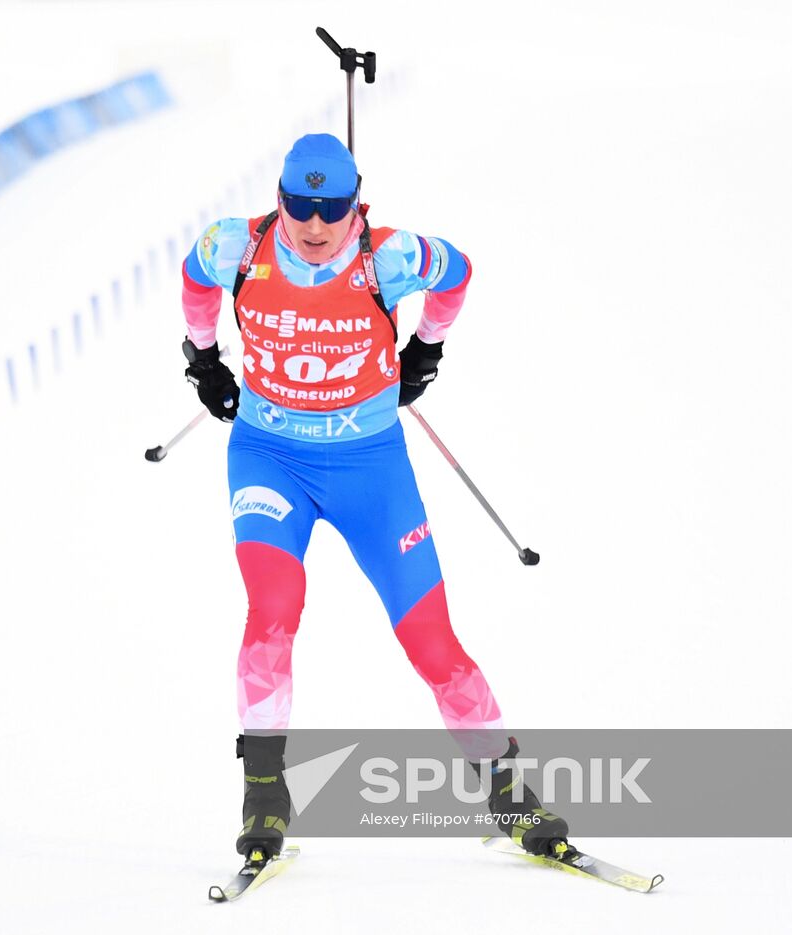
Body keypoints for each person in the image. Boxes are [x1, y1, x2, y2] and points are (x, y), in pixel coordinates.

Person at [180, 133, 568, 865]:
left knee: (433, 643)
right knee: (271, 614)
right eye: (302, 209)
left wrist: (427, 347)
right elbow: (193, 277)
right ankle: (265, 795)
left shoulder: (388, 256)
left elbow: (458, 271)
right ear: (281, 201)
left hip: (371, 468)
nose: (317, 227)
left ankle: (507, 790)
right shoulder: (236, 245)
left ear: (356, 203)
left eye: (332, 210)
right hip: (271, 459)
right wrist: (201, 356)